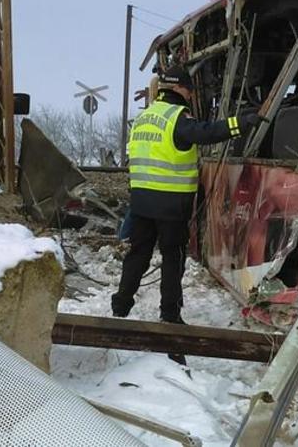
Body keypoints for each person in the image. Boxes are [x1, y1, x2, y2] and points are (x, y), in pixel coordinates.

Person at [112, 64, 262, 327]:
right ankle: (170, 314)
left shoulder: (145, 117)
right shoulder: (177, 117)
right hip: (170, 205)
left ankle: (120, 306)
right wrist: (240, 123)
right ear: (180, 88)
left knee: (138, 255)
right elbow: (205, 133)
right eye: (190, 90)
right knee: (173, 258)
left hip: (141, 203)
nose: (192, 95)